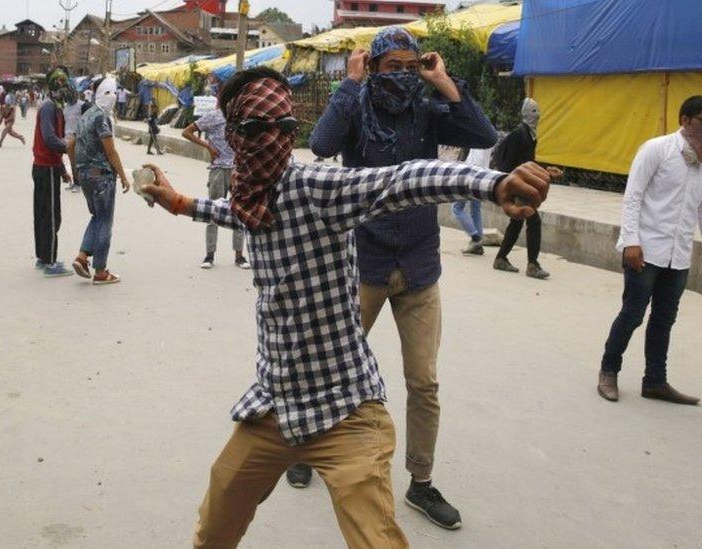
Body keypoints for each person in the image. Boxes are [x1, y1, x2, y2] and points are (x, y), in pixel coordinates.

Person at [136, 67, 551, 548]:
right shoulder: (254, 199)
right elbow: (238, 213)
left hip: (346, 411)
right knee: (216, 519)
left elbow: (405, 179)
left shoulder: (317, 189)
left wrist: (492, 184)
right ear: (234, 136)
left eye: (286, 129)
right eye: (257, 130)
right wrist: (181, 202)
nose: (274, 140)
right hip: (276, 403)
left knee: (375, 539)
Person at [304, 26, 498, 529]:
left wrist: (444, 81)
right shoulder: (357, 109)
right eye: (396, 68)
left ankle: (421, 482)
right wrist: (350, 83)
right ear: (374, 68)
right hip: (363, 263)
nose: (406, 78)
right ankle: (307, 446)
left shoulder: (428, 113)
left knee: (424, 382)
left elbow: (484, 136)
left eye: (413, 68)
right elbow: (321, 143)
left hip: (417, 265)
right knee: (331, 366)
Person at [597, 95, 702, 406]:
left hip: (678, 255)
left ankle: (655, 381)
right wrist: (631, 241)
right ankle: (608, 372)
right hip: (645, 250)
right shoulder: (657, 149)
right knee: (632, 314)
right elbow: (633, 196)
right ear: (684, 121)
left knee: (664, 319)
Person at [70, 81, 131, 285]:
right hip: (101, 177)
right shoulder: (101, 118)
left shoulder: (85, 115)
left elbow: (71, 143)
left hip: (85, 174)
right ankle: (101, 271)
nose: (112, 96)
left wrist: (76, 171)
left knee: (96, 216)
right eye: (109, 92)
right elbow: (110, 150)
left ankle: (82, 256)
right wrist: (123, 176)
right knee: (105, 221)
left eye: (115, 93)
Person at [181, 99, 250, 270]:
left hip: (237, 170)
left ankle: (239, 255)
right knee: (213, 211)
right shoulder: (213, 116)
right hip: (218, 169)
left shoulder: (240, 119)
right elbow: (187, 132)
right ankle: (210, 254)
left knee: (239, 212)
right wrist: (208, 146)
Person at [493, 98, 550, 279]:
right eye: (533, 111)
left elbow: (529, 163)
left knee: (517, 222)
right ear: (526, 113)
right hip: (517, 185)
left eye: (538, 110)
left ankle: (501, 257)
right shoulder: (519, 134)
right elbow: (509, 162)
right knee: (533, 220)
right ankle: (532, 264)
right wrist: (511, 186)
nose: (537, 114)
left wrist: (545, 171)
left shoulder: (530, 135)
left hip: (524, 185)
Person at [31, 67, 75, 277]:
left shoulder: (55, 107)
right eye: (62, 83)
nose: (65, 87)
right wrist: (70, 147)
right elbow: (50, 140)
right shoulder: (49, 108)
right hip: (45, 167)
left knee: (43, 214)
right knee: (50, 216)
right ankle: (49, 261)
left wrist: (63, 169)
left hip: (47, 166)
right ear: (56, 86)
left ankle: (42, 256)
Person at [453, 141, 499, 255]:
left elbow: (477, 159)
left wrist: (468, 174)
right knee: (475, 210)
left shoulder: (479, 135)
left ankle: (475, 238)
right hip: (481, 174)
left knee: (456, 208)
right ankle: (477, 245)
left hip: (472, 175)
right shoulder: (486, 133)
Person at [63, 92, 86, 192]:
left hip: (77, 136)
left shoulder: (82, 105)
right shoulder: (65, 107)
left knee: (77, 161)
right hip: (67, 137)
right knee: (72, 162)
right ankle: (74, 182)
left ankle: (79, 184)